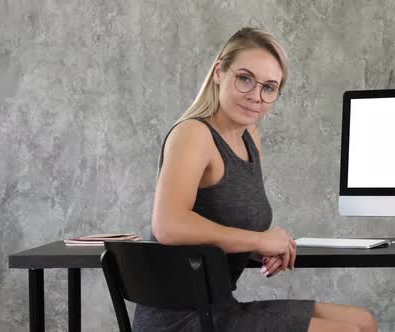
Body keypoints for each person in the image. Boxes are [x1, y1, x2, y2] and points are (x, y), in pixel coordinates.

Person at [133, 27, 378, 332]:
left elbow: (220, 223)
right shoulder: (194, 134)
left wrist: (259, 249)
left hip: (220, 308)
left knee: (363, 322)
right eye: (245, 78)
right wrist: (259, 239)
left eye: (269, 87)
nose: (256, 97)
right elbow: (169, 225)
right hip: (182, 320)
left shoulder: (249, 136)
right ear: (220, 72)